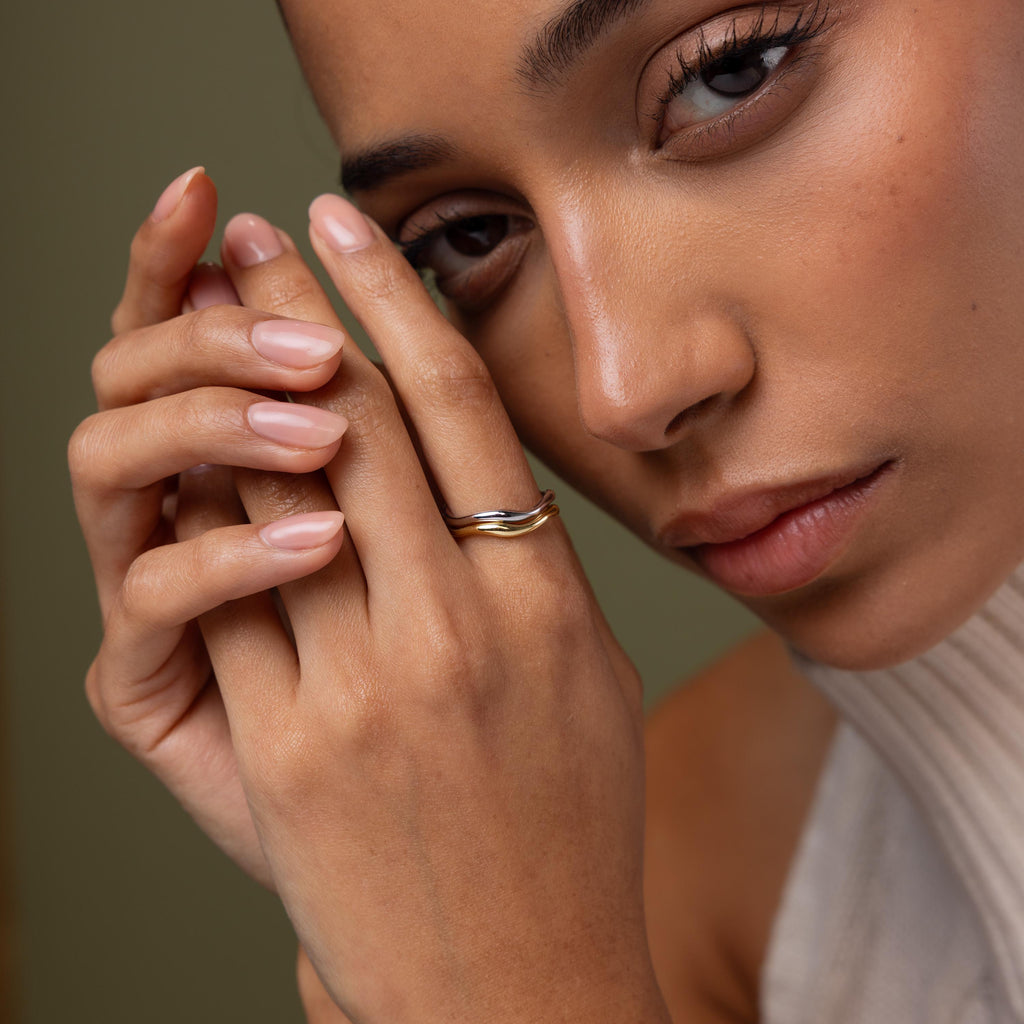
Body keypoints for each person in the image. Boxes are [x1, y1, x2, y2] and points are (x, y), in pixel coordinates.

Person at [68, 0, 1024, 1020]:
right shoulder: (655, 874)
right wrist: (420, 920)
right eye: (468, 236)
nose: (621, 391)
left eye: (729, 74)